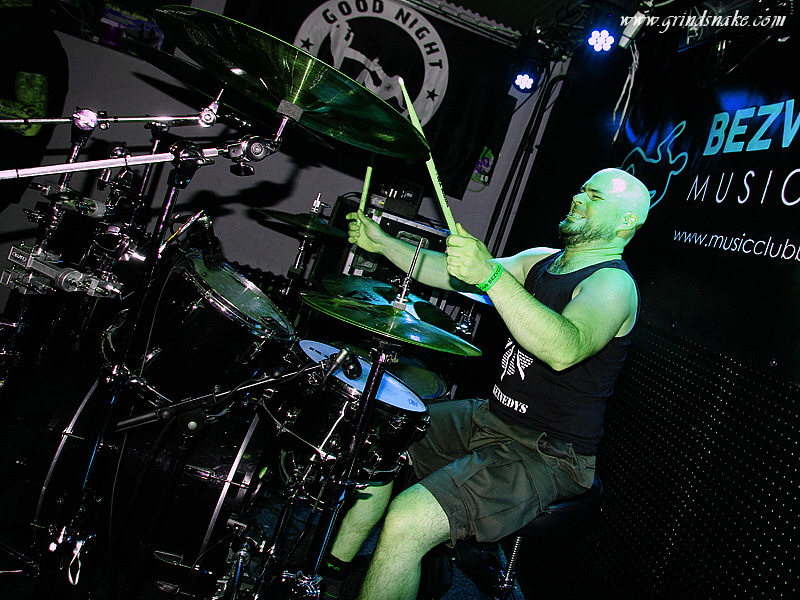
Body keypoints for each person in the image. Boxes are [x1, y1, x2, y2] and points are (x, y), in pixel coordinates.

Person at [318, 167, 651, 600]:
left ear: (627, 222)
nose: (578, 197)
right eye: (581, 189)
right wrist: (382, 243)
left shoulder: (612, 284)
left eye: (595, 196)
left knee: (407, 520)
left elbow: (565, 348)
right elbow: (452, 272)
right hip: (491, 418)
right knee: (383, 436)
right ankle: (326, 577)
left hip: (549, 451)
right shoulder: (541, 260)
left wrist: (490, 277)